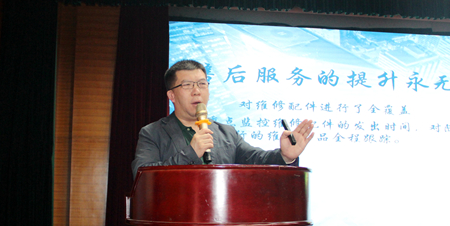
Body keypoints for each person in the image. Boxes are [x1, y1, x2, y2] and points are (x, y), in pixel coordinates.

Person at [131, 59, 315, 178]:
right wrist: (191, 153)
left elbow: (255, 159)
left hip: (222, 219)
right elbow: (142, 174)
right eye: (187, 85)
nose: (197, 91)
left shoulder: (227, 133)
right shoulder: (152, 133)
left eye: (202, 84)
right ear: (171, 95)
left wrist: (285, 155)